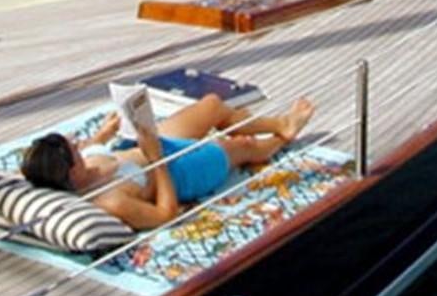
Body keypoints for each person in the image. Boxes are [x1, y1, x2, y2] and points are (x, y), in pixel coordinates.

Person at [20, 94, 315, 230]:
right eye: (72, 148)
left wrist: (104, 133)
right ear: (72, 171)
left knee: (211, 105)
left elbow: (90, 147)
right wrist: (155, 159)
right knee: (245, 147)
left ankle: (279, 121)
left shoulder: (80, 164)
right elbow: (165, 215)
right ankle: (283, 136)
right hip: (175, 172)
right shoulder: (110, 201)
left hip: (154, 145)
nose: (76, 142)